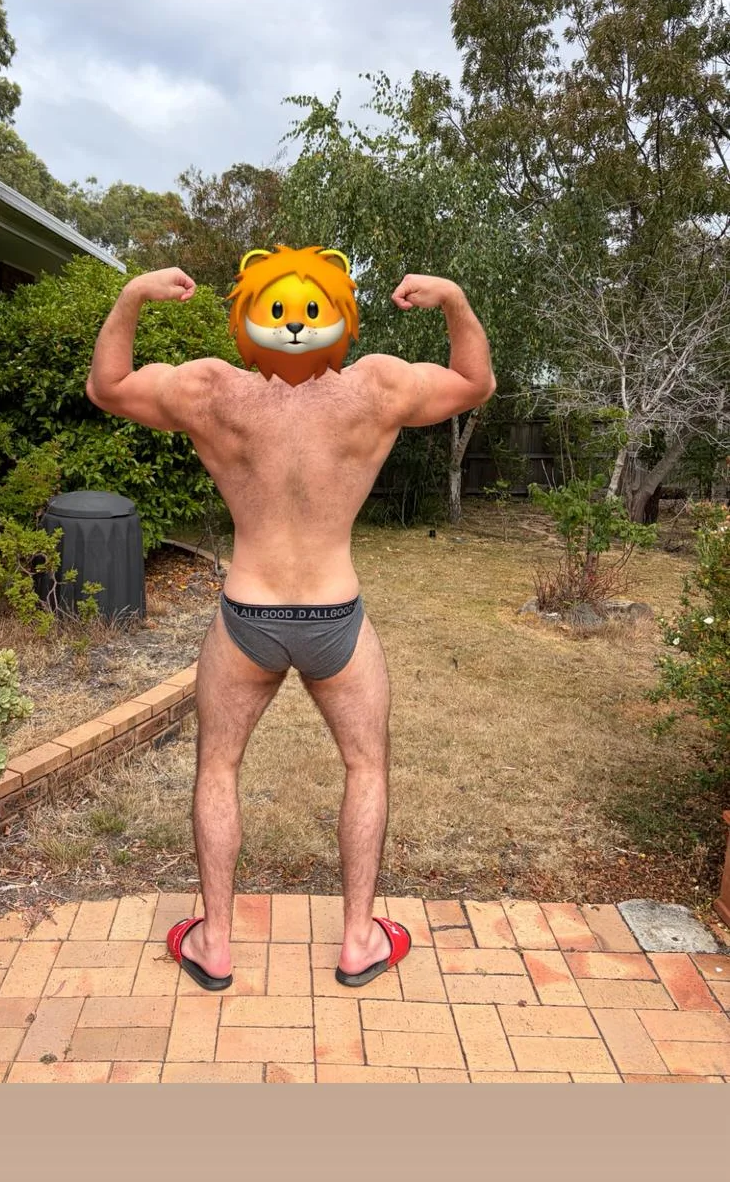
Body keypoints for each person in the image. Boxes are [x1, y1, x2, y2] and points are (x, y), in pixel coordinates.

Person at [86, 264, 496, 990]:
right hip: (335, 614)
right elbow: (475, 382)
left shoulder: (211, 389)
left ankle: (214, 943)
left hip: (248, 612)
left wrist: (131, 297)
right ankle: (359, 941)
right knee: (365, 766)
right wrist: (454, 301)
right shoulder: (377, 386)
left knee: (219, 767)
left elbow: (107, 386)